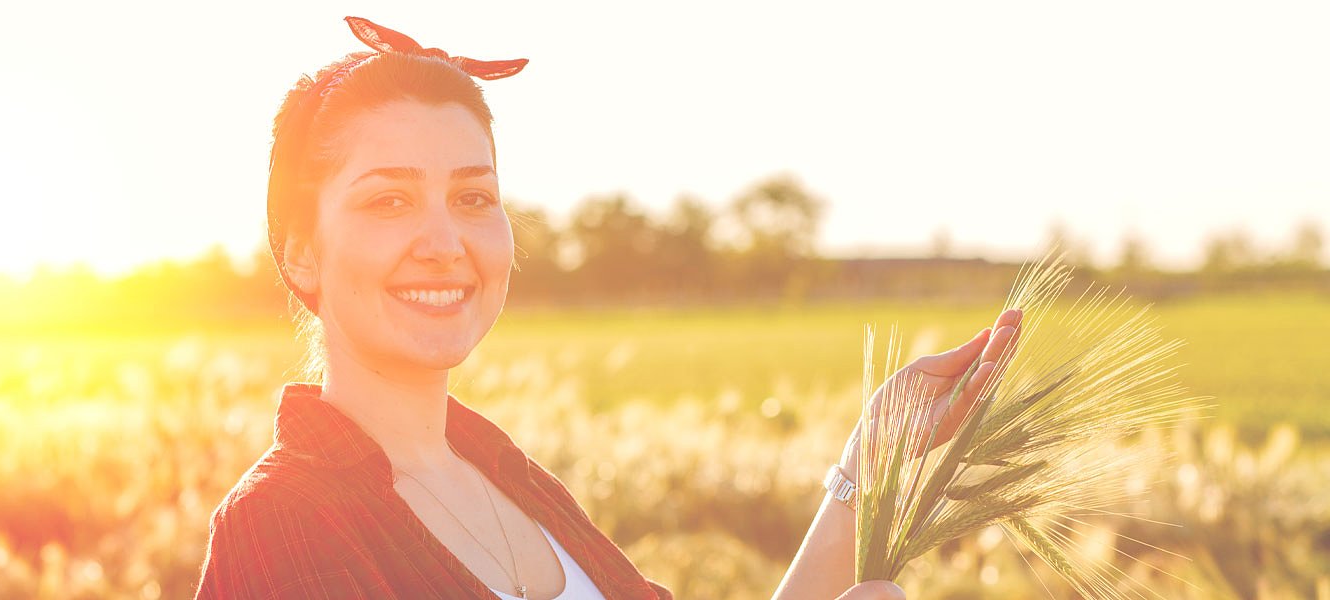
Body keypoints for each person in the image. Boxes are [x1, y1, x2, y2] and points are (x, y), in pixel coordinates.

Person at [193, 16, 1023, 600]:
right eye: (389, 202)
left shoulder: (513, 482)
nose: (446, 241)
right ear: (299, 247)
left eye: (474, 197)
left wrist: (865, 469)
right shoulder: (280, 526)